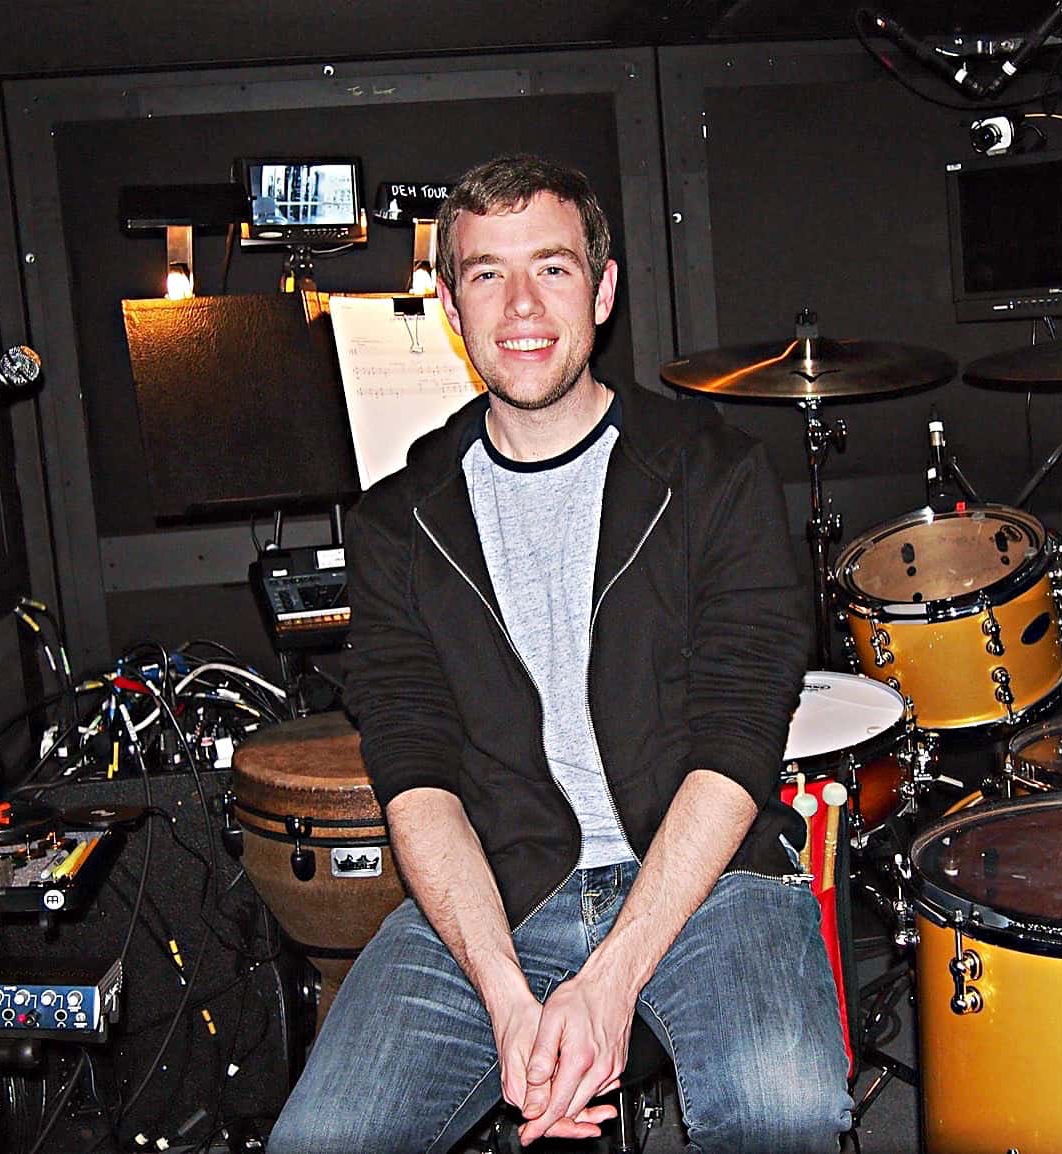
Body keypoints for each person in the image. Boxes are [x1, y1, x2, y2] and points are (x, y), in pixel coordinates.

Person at [268, 154, 851, 1153]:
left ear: (604, 286)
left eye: (552, 266)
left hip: (702, 876)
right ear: (449, 304)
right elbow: (415, 775)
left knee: (781, 1107)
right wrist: (504, 995)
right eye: (487, 274)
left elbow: (735, 742)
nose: (521, 305)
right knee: (319, 1138)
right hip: (497, 886)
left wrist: (609, 976)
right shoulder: (398, 524)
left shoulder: (712, 476)